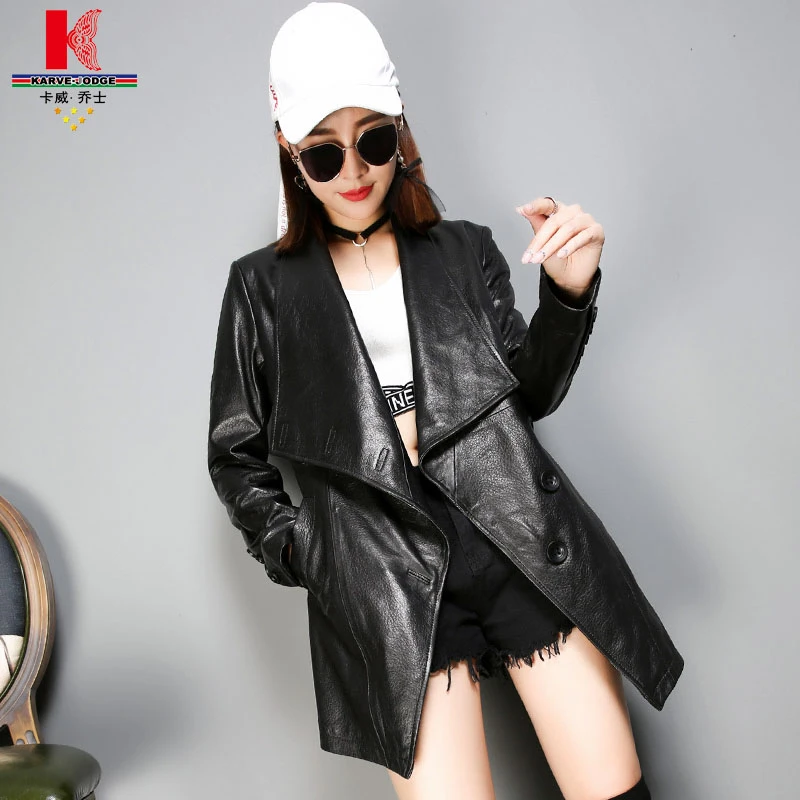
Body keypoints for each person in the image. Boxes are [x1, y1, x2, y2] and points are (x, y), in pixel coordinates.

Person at [208, 3, 683, 798]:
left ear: (400, 129)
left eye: (374, 140)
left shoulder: (461, 250)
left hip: (514, 536)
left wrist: (568, 296)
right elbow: (234, 453)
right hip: (387, 571)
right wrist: (306, 551)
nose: (355, 170)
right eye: (324, 152)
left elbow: (531, 392)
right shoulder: (261, 288)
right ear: (290, 152)